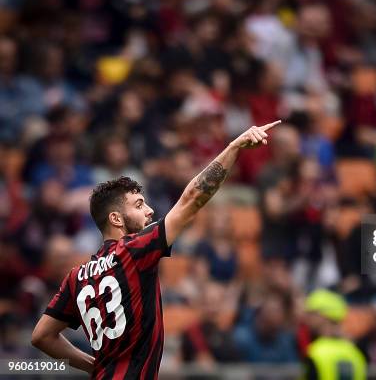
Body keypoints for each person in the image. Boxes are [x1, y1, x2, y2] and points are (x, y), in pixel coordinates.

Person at [30, 120, 282, 378]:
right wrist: (233, 147)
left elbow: (41, 336)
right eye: (139, 205)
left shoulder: (77, 277)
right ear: (116, 219)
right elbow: (193, 199)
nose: (150, 211)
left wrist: (94, 366)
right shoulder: (133, 250)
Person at [302, 289, 367, 380]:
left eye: (312, 313)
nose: (307, 319)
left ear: (324, 316)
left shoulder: (317, 351)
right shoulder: (355, 353)